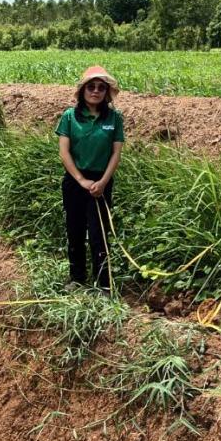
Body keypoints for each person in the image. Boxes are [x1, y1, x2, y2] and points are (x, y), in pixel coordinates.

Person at [56, 65, 124, 289]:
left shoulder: (114, 118)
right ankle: (77, 278)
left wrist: (103, 182)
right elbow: (64, 152)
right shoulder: (69, 117)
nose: (96, 91)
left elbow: (116, 153)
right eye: (91, 87)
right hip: (76, 182)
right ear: (83, 90)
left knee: (99, 234)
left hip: (101, 183)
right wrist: (81, 180)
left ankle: (104, 284)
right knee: (75, 230)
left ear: (106, 93)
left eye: (101, 88)